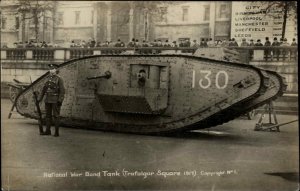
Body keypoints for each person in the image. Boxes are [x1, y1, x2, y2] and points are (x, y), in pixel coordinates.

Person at [39, 64, 65, 137]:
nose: (51, 70)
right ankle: (48, 131)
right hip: (47, 100)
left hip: (55, 100)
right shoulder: (47, 78)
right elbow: (43, 90)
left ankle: (56, 132)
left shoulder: (59, 79)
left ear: (56, 70)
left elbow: (62, 91)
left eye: (53, 68)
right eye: (50, 69)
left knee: (56, 116)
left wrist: (60, 100)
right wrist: (39, 99)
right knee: (48, 116)